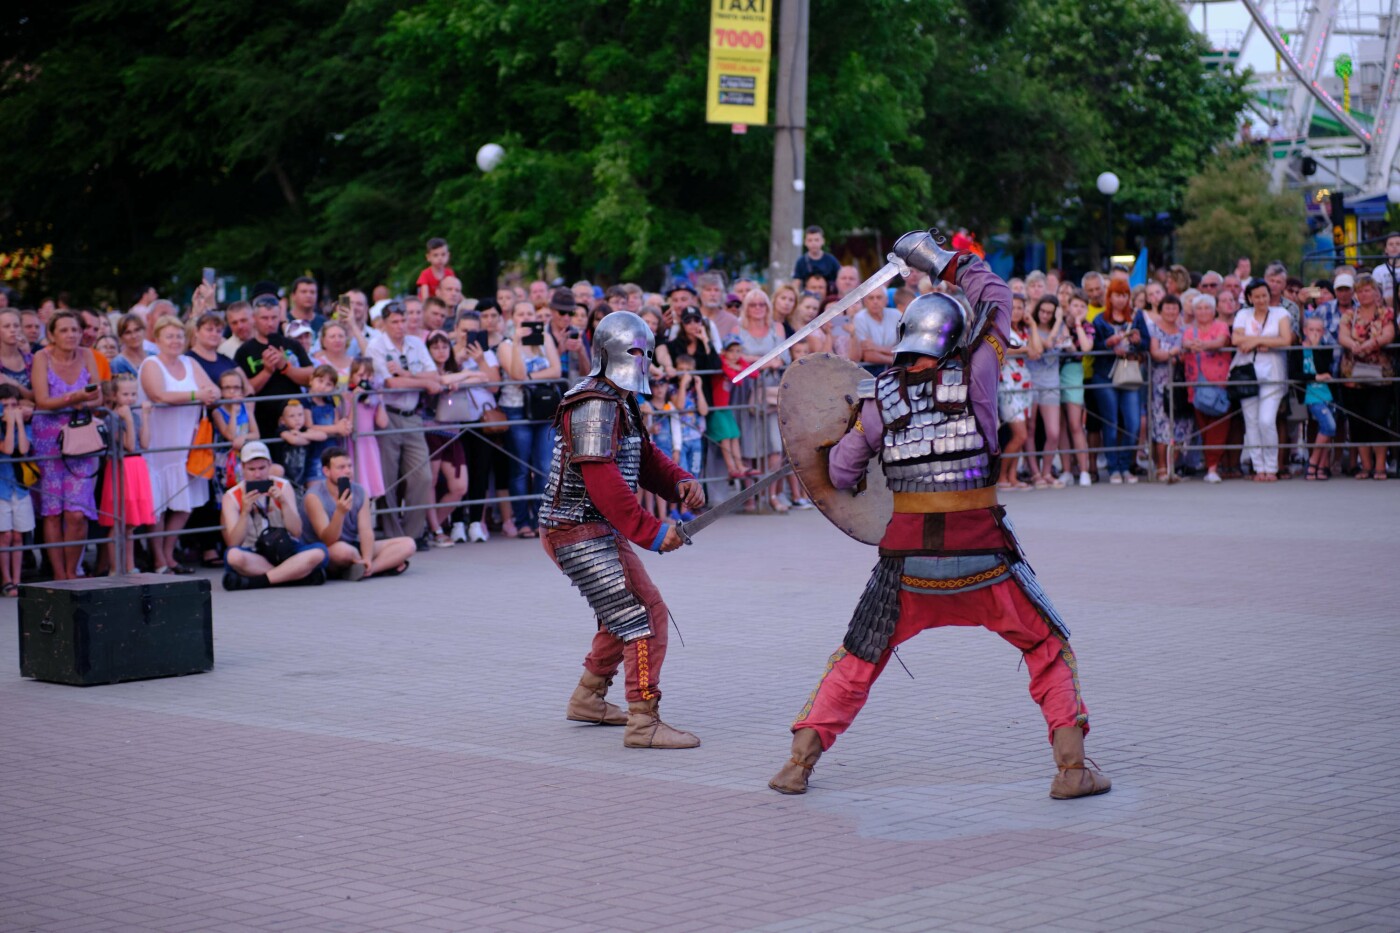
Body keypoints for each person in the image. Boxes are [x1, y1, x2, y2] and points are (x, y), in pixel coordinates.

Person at [768, 233, 1108, 800]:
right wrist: (942, 259)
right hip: (985, 557)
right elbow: (997, 299)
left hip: (906, 566)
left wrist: (839, 437)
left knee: (857, 659)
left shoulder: (879, 397)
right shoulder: (977, 371)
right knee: (1048, 648)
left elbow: (845, 476)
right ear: (957, 337)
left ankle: (797, 764)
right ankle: (1072, 771)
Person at [537, 311, 706, 748]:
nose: (643, 359)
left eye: (646, 352)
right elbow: (602, 478)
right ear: (608, 352)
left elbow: (643, 458)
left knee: (621, 612)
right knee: (644, 614)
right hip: (575, 527)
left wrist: (679, 481)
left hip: (593, 526)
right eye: (635, 351)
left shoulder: (619, 399)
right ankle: (643, 721)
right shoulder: (593, 402)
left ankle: (588, 698)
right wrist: (650, 532)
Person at [140, 315, 221, 573]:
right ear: (157, 339)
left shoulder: (190, 362)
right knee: (159, 505)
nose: (175, 341)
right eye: (169, 336)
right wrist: (198, 394)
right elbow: (159, 395)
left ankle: (168, 554)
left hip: (186, 443)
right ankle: (159, 559)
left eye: (178, 336)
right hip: (157, 443)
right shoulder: (151, 364)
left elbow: (213, 389)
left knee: (183, 506)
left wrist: (211, 393)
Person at [31, 312, 103, 580]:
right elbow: (42, 400)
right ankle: (59, 575)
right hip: (48, 440)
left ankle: (73, 572)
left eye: (75, 329)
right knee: (52, 511)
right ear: (52, 334)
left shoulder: (87, 355)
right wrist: (77, 397)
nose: (71, 335)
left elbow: (99, 398)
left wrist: (79, 401)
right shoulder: (42, 358)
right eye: (64, 330)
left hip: (82, 439)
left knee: (76, 512)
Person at [366, 302, 437, 545]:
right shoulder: (376, 347)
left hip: (412, 415)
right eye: (394, 322)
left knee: (423, 477)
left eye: (402, 321)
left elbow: (434, 376)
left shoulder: (415, 343)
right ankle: (393, 536)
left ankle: (413, 534)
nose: (399, 326)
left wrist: (407, 376)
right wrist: (422, 382)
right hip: (388, 414)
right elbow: (389, 384)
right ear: (384, 324)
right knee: (388, 479)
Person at [220, 441, 328, 590]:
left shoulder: (283, 486)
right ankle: (293, 575)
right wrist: (245, 512)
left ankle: (258, 581)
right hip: (254, 552)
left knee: (319, 552)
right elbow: (234, 542)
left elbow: (296, 531)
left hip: (285, 549)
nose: (257, 474)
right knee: (233, 556)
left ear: (270, 465)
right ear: (243, 468)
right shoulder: (231, 496)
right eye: (251, 469)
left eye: (262, 468)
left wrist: (283, 502)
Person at [496, 300, 562, 537]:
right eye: (520, 313)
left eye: (529, 313)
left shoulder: (544, 339)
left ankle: (541, 518)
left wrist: (531, 376)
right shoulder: (505, 344)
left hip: (543, 410)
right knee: (521, 468)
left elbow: (556, 371)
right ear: (513, 318)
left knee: (545, 467)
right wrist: (516, 342)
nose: (525, 317)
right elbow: (516, 374)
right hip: (517, 410)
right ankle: (522, 519)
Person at [303, 447, 414, 580]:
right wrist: (340, 512)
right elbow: (328, 539)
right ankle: (378, 565)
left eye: (350, 466)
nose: (348, 471)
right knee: (343, 551)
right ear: (326, 471)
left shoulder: (360, 491)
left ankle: (368, 569)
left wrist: (367, 558)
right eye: (341, 467)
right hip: (328, 548)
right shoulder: (314, 496)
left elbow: (366, 530)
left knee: (408, 544)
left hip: (354, 545)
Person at [1231, 279, 1294, 482]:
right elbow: (1236, 340)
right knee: (1251, 421)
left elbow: (1286, 339)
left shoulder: (1281, 314)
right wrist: (1265, 342)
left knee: (1267, 420)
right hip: (1247, 372)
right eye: (1256, 296)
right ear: (1250, 298)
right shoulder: (1243, 314)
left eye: (1264, 295)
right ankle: (1259, 468)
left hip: (1273, 373)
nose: (1261, 300)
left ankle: (1272, 466)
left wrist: (1257, 340)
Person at [1089, 279, 1151, 484]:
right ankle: (1113, 467)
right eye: (1117, 295)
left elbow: (1147, 342)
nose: (1121, 299)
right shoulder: (1099, 320)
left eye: (1125, 295)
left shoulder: (1137, 316)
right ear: (1110, 296)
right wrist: (1109, 344)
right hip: (1105, 374)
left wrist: (1137, 341)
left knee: (1133, 423)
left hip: (1130, 372)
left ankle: (1126, 466)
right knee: (1111, 422)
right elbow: (1093, 346)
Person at [734, 289, 789, 509]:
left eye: (762, 304)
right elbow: (734, 355)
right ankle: (749, 498)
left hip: (772, 391)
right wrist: (764, 362)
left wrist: (755, 361)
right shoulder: (737, 328)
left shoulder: (777, 328)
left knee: (775, 447)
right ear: (745, 308)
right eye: (752, 304)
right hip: (746, 391)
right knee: (748, 447)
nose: (757, 308)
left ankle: (769, 496)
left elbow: (784, 357)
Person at [1336, 274, 1395, 479]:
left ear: (1376, 292)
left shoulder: (1386, 313)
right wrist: (1352, 344)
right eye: (1360, 291)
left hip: (1380, 374)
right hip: (1353, 375)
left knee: (1377, 418)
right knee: (1357, 421)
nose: (1364, 294)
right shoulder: (1350, 315)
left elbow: (1389, 334)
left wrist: (1371, 344)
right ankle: (1366, 466)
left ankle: (1380, 465)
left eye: (1368, 290)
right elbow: (1342, 334)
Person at [236, 294, 314, 442]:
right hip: (261, 422)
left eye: (274, 317)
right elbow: (244, 390)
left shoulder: (293, 344)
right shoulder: (244, 351)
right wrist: (266, 372)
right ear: (254, 319)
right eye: (265, 318)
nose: (270, 323)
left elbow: (311, 377)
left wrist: (285, 367)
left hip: (295, 423)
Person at [98, 374, 156, 574]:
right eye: (125, 394)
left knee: (131, 525)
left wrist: (145, 417)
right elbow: (129, 445)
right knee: (118, 523)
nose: (131, 398)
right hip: (121, 468)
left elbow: (145, 444)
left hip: (137, 467)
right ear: (114, 395)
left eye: (134, 394)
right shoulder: (111, 418)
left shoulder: (135, 415)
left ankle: (130, 566)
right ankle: (115, 567)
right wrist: (129, 421)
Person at [1182, 294, 1232, 483]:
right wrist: (1190, 344)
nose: (1203, 312)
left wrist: (1203, 345)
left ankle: (1213, 467)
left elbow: (1221, 341)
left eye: (1207, 308)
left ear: (1214, 310)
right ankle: (1209, 464)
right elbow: (1185, 342)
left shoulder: (1221, 326)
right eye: (1199, 308)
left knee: (1218, 425)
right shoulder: (1189, 330)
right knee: (1203, 426)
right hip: (1196, 383)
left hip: (1218, 384)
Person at [1025, 296, 1068, 487]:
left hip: (1051, 382)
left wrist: (1061, 323)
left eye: (1050, 312)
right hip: (1032, 381)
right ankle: (1035, 473)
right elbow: (1045, 346)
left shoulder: (1061, 327)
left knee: (1053, 432)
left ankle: (1047, 471)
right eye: (1042, 311)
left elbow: (1071, 344)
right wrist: (1057, 323)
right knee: (1030, 429)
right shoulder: (1029, 328)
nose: (1045, 315)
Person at [1147, 295, 1190, 482]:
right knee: (1161, 425)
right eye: (1167, 308)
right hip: (1159, 383)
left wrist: (1180, 356)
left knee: (1181, 424)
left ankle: (1173, 467)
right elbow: (1155, 353)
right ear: (1161, 309)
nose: (1171, 312)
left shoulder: (1183, 330)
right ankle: (1161, 468)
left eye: (1174, 308)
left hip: (1180, 381)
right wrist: (1171, 353)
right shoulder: (1154, 329)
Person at [0, 385, 35, 596]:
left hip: (20, 488)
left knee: (19, 536)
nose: (11, 409)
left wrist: (19, 422)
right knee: (5, 536)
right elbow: (7, 448)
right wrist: (11, 420)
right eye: (6, 406)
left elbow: (22, 449)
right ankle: (6, 580)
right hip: (2, 488)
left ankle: (18, 579)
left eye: (15, 405)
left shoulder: (25, 424)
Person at [1293, 317, 1336, 481]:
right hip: (1310, 394)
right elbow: (1295, 374)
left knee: (1327, 430)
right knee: (1329, 425)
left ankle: (1321, 465)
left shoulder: (1325, 349)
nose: (1315, 333)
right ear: (1305, 331)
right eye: (1311, 330)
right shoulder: (1297, 350)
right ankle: (1313, 462)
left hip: (1327, 394)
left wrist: (1316, 347)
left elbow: (1326, 368)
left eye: (1318, 330)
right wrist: (1315, 377)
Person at [346, 358, 387, 499]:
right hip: (353, 444)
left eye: (369, 376)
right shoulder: (346, 396)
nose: (365, 380)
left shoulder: (374, 397)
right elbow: (349, 425)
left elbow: (382, 423)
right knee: (355, 484)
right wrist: (354, 401)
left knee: (369, 489)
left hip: (368, 444)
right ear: (352, 377)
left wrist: (380, 400)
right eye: (360, 376)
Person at [850, 288, 902, 376]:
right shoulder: (860, 318)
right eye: (871, 298)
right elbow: (868, 355)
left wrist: (876, 347)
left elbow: (902, 349)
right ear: (865, 302)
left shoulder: (897, 315)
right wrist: (895, 360)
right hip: (870, 371)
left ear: (886, 300)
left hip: (897, 371)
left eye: (879, 297)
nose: (875, 301)